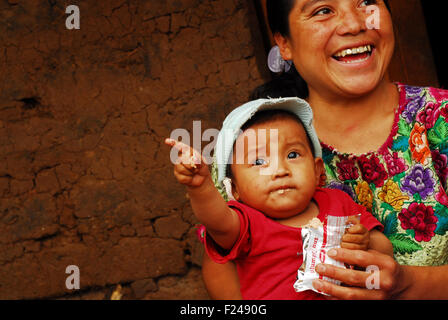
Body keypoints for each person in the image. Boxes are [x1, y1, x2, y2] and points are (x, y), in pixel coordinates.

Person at [202, 0, 448, 299]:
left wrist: (408, 284)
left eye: (367, 2)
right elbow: (223, 270)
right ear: (284, 43)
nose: (354, 24)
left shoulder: (440, 120)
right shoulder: (250, 148)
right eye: (323, 10)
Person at [166, 98, 392, 299]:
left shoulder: (338, 202)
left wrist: (366, 243)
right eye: (258, 162)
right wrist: (201, 187)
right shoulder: (247, 223)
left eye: (292, 155)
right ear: (234, 190)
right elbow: (216, 221)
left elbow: (386, 251)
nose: (280, 169)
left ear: (317, 170)